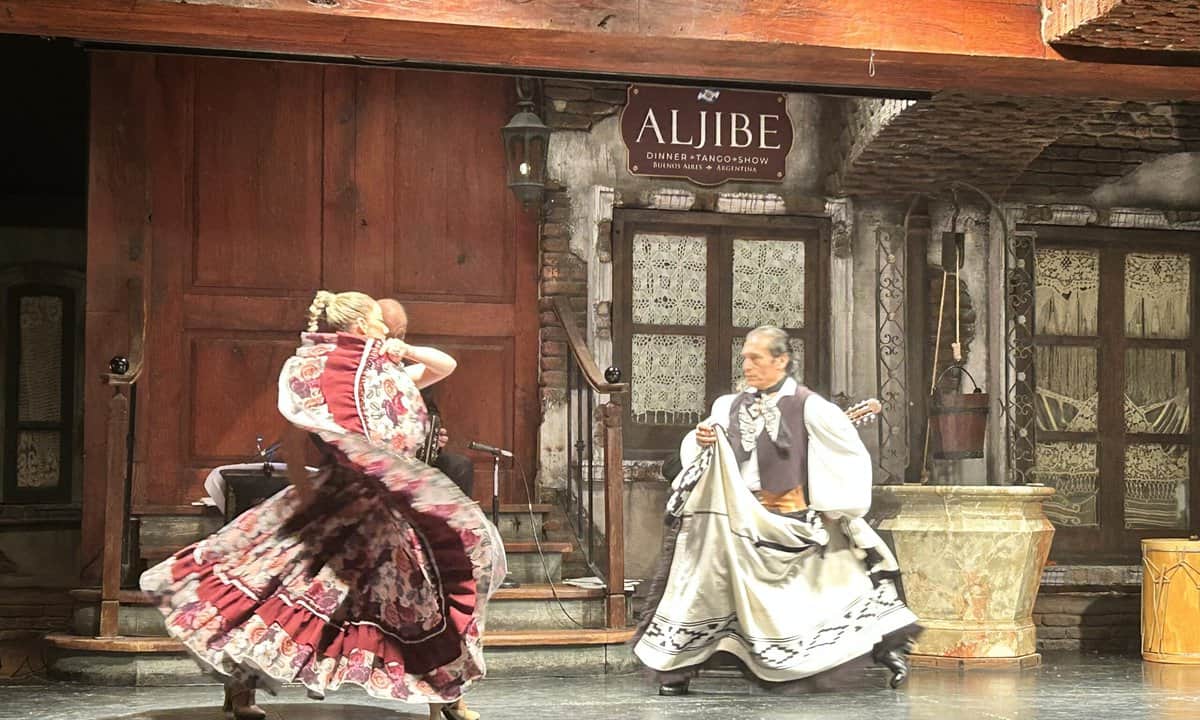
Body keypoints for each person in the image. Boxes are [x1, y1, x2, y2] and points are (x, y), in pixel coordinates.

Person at [141, 290, 505, 720]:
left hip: (396, 503)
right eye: (378, 321)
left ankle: (445, 697)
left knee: (429, 594)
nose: (385, 329)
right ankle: (241, 688)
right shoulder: (329, 372)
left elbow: (446, 364)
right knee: (279, 590)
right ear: (357, 327)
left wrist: (401, 350)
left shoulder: (392, 373)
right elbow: (321, 420)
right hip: (343, 501)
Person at [633, 325, 920, 695]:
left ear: (781, 360)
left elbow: (846, 455)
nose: (747, 366)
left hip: (790, 516)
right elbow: (703, 451)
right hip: (737, 515)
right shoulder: (727, 405)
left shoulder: (810, 406)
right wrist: (701, 439)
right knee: (701, 579)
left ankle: (889, 648)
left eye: (756, 358)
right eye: (745, 359)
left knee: (842, 577)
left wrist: (833, 505)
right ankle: (677, 670)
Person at [378, 299, 475, 497]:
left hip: (414, 458)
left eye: (401, 334)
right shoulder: (361, 367)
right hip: (378, 458)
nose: (396, 341)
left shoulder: (405, 365)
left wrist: (434, 436)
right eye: (390, 335)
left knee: (459, 466)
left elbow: (447, 367)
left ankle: (451, 528)